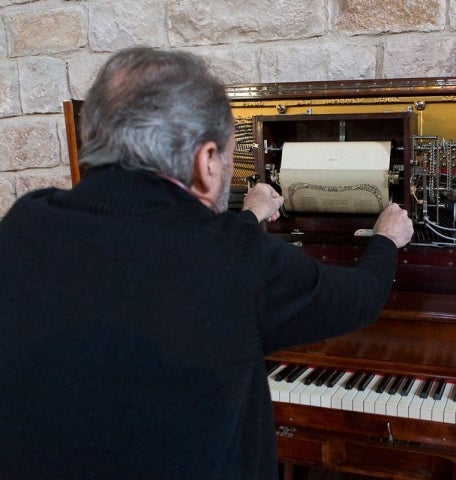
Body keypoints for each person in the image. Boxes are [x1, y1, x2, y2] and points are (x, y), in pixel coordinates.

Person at [0, 47, 413, 480]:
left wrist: (247, 218)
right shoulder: (233, 259)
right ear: (206, 161)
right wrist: (386, 238)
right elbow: (359, 298)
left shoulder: (24, 222)